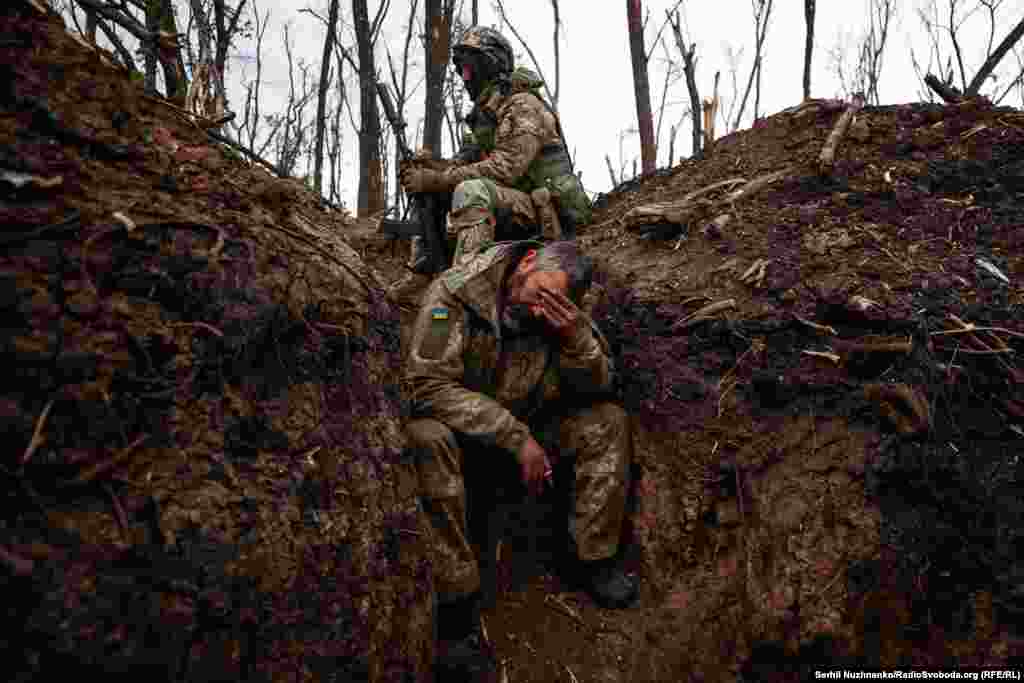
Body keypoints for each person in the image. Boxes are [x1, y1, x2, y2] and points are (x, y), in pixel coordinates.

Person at [404, 240, 637, 678]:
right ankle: (455, 611)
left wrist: (575, 341)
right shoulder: (453, 294)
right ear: (527, 261)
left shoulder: (561, 309)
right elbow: (425, 386)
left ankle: (592, 558)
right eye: (539, 294)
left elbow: (602, 387)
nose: (538, 310)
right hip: (467, 437)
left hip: (531, 432)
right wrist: (514, 436)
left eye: (552, 304)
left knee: (607, 422)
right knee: (424, 437)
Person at [387, 26, 592, 309]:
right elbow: (462, 165)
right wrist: (428, 170)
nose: (466, 77)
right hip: (510, 205)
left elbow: (506, 168)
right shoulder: (485, 115)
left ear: (492, 64)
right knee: (436, 190)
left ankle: (467, 286)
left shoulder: (523, 105)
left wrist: (436, 179)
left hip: (546, 216)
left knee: (470, 190)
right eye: (463, 70)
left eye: (471, 67)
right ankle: (423, 274)